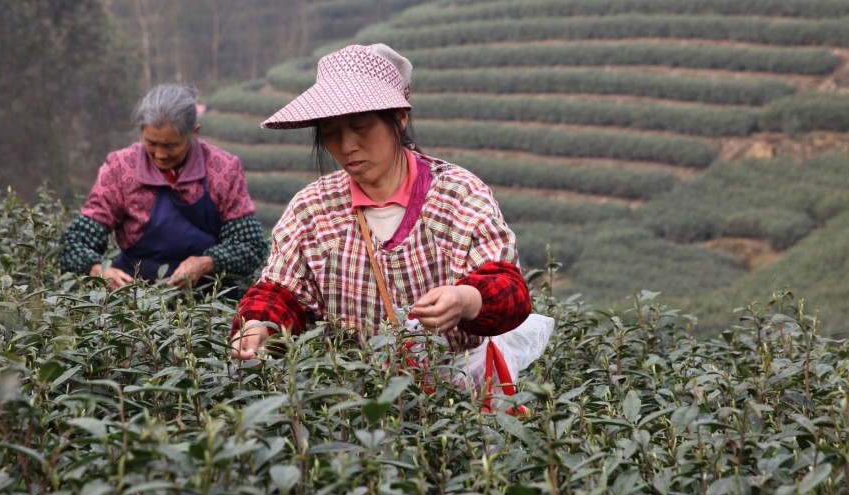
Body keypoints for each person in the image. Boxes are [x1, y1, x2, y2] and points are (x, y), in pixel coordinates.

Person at [230, 44, 531, 360]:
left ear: (399, 119)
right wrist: (260, 325)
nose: (347, 146)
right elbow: (282, 291)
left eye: (361, 127)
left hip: (453, 394)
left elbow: (509, 289)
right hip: (358, 395)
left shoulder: (458, 195)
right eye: (331, 133)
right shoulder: (312, 209)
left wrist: (465, 299)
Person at [59, 84, 269, 289]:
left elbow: (249, 245)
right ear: (142, 132)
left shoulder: (223, 169)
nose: (160, 154)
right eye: (152, 143)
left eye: (170, 145)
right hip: (136, 294)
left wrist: (206, 263)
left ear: (194, 132)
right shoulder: (120, 168)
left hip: (210, 297)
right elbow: (76, 242)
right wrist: (100, 270)